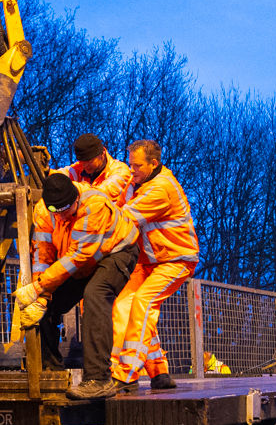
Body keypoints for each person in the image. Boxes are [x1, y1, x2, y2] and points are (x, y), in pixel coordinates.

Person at [15, 172, 138, 399]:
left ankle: (99, 379)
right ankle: (51, 371)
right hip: (81, 262)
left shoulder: (94, 205)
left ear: (76, 199)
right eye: (56, 212)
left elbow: (78, 256)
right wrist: (42, 295)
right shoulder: (43, 211)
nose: (61, 217)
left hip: (116, 252)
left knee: (95, 294)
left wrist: (39, 287)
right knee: (46, 305)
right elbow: (43, 255)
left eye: (66, 210)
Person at [111, 139, 199, 392]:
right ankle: (158, 371)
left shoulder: (161, 188)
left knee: (143, 302)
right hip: (149, 262)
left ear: (154, 163)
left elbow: (122, 218)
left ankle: (126, 373)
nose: (132, 170)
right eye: (130, 164)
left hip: (176, 259)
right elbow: (115, 205)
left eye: (137, 165)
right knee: (123, 306)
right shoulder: (136, 183)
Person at [65, 134, 133, 205]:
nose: (85, 165)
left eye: (89, 161)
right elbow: (61, 175)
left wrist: (73, 189)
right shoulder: (79, 168)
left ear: (102, 154)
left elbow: (100, 194)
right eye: (82, 161)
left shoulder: (120, 171)